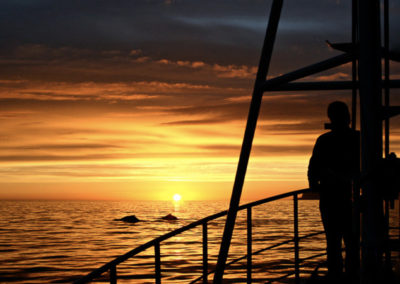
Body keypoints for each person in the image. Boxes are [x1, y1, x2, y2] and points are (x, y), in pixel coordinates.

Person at [308, 101, 359, 282]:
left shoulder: (324, 140)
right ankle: (350, 274)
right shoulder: (358, 139)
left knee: (336, 241)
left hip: (333, 198)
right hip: (349, 198)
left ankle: (337, 276)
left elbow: (313, 168)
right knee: (350, 241)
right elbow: (313, 168)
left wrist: (315, 185)